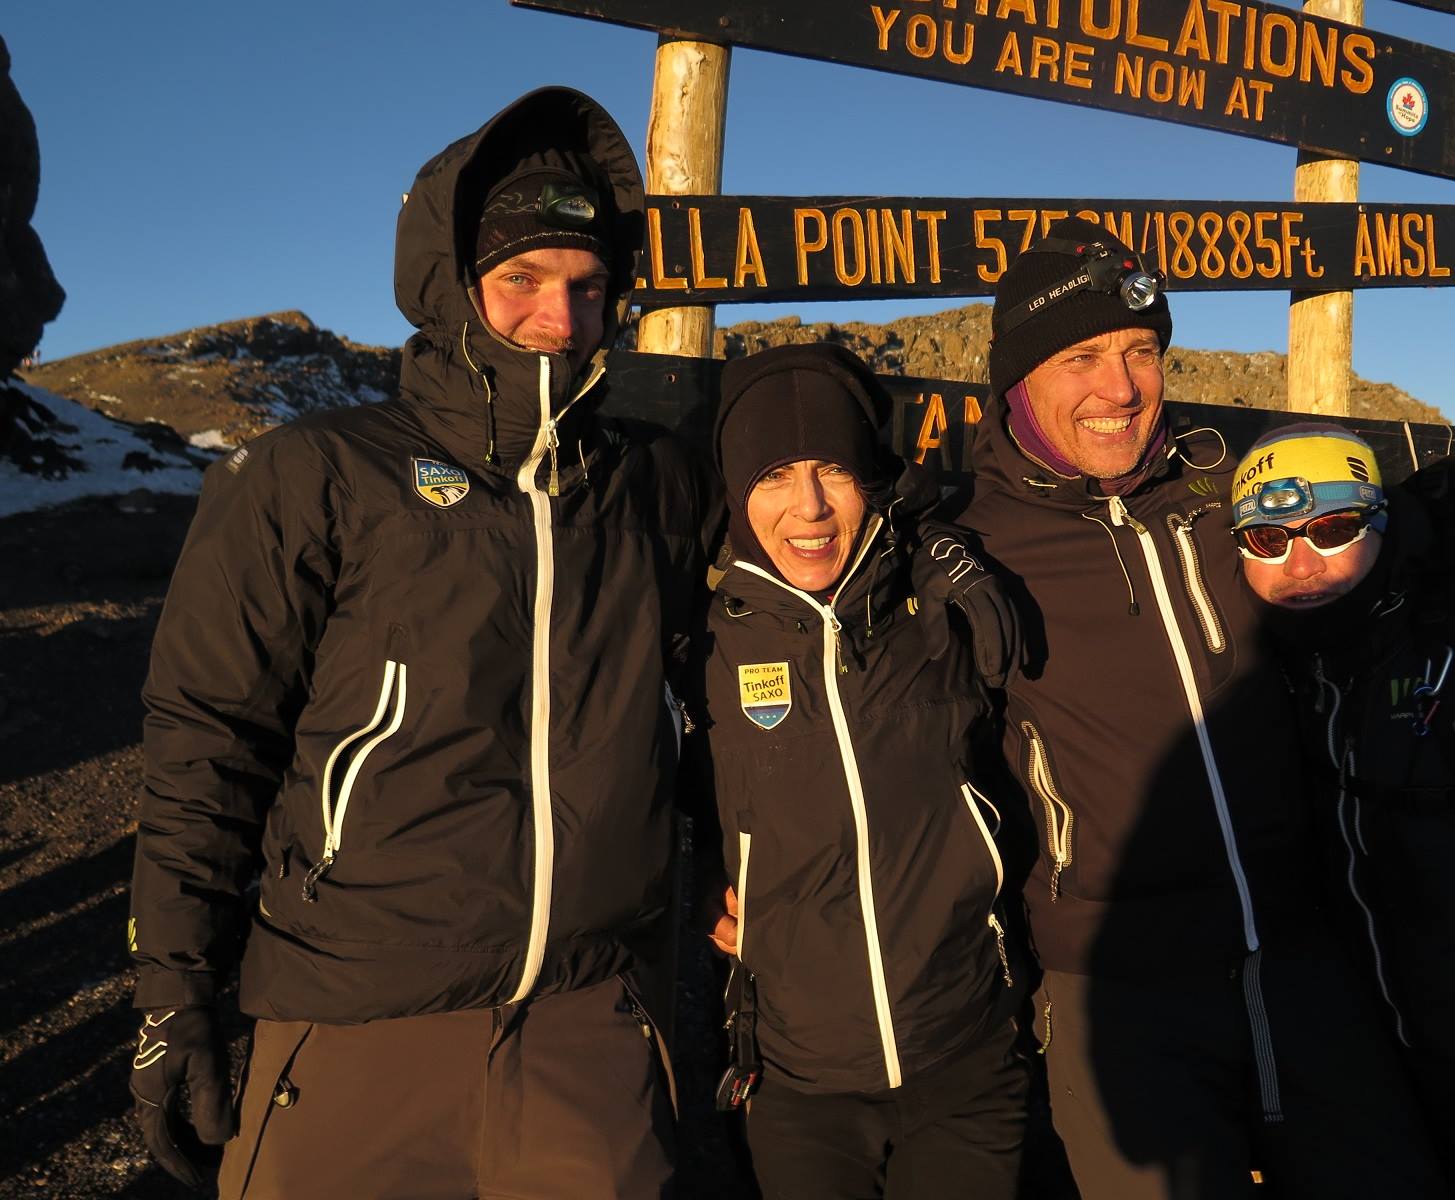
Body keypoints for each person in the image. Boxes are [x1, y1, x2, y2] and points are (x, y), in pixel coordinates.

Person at [127, 87, 716, 1199]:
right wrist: (174, 991)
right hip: (357, 1014)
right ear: (452, 288)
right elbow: (209, 737)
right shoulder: (319, 472)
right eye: (523, 280)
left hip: (587, 1023)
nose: (560, 319)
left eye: (589, 287)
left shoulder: (654, 484)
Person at [951, 220, 1446, 1198]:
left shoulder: (1227, 499)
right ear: (1018, 379)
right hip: (1116, 990)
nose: (1120, 388)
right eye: (1081, 358)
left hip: (1299, 956)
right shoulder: (971, 548)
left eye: (1141, 352)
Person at [687, 342, 1031, 1199]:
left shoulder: (934, 601)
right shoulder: (701, 638)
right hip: (799, 1080)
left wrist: (941, 545)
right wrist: (697, 885)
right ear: (736, 490)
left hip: (966, 1056)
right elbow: (645, 787)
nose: (808, 506)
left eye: (832, 470)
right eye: (774, 476)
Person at [1230, 423, 1455, 1197]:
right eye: (1267, 539)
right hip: (1387, 1084)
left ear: (1382, 521)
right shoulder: (1280, 675)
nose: (1300, 563)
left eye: (1332, 529)